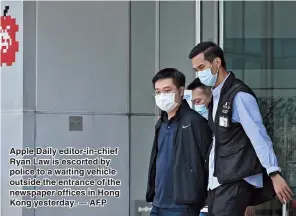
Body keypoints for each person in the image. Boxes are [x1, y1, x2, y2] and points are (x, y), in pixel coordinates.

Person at [188, 41, 293, 216]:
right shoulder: (217, 96)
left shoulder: (239, 96)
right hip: (219, 181)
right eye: (196, 70)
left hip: (235, 179)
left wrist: (274, 173)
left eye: (201, 67)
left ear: (217, 63)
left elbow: (258, 136)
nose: (199, 74)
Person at [146, 68, 212, 216]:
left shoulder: (195, 122)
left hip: (183, 205)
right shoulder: (161, 124)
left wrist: (206, 203)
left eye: (167, 90)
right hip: (158, 203)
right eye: (157, 92)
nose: (161, 95)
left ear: (181, 91)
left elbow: (209, 163)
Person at [187, 78, 256, 216]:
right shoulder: (194, 129)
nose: (195, 107)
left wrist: (248, 202)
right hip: (201, 198)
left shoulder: (232, 130)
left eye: (198, 102)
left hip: (226, 194)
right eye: (192, 103)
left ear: (212, 99)